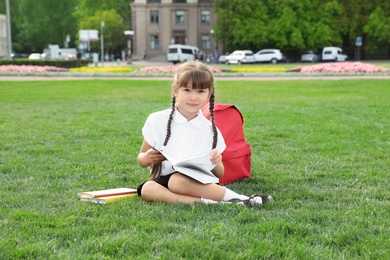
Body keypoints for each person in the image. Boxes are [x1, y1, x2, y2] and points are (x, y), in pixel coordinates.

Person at [136, 61, 272, 208]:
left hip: (196, 182)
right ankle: (213, 204)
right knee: (146, 189)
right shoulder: (157, 120)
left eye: (200, 91)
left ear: (209, 94)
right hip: (163, 181)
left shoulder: (209, 130)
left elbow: (219, 174)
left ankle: (242, 199)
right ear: (175, 90)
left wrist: (216, 161)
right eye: (187, 90)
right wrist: (147, 158)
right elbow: (141, 158)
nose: (193, 97)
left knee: (177, 181)